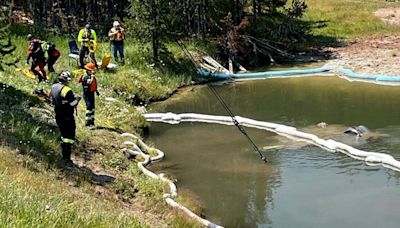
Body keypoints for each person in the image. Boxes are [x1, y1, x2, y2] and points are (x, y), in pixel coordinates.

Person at [49, 72, 81, 166]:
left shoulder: (54, 86)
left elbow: (52, 97)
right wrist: (77, 99)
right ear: (67, 80)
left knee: (63, 136)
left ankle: (64, 155)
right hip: (67, 116)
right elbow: (73, 103)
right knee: (69, 137)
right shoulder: (67, 90)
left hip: (58, 114)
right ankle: (66, 158)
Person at [79, 62, 99, 127]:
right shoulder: (85, 77)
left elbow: (93, 85)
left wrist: (96, 91)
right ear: (88, 70)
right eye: (91, 71)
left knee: (92, 107)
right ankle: (87, 122)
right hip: (87, 94)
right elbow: (89, 82)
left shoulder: (90, 76)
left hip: (91, 93)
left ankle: (92, 121)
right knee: (89, 107)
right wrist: (93, 77)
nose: (92, 72)